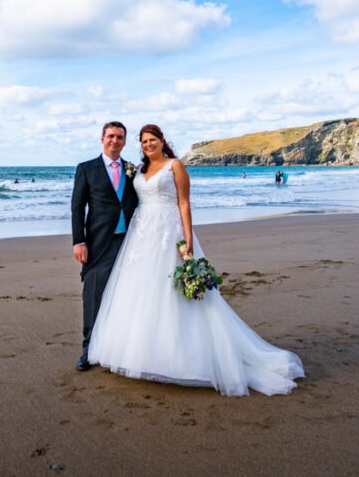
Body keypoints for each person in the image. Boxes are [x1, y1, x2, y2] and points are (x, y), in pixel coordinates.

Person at [87, 125, 304, 396]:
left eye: (152, 140)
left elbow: (184, 203)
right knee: (140, 290)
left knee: (173, 291)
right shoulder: (138, 171)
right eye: (144, 142)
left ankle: (185, 357)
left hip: (169, 231)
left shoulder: (175, 166)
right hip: (141, 234)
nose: (148, 145)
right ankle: (143, 353)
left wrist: (188, 239)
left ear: (162, 141)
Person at [71, 121, 139, 372]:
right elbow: (77, 207)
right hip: (99, 243)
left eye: (120, 137)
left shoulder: (132, 169)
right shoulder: (86, 169)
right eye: (110, 136)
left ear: (124, 141)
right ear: (102, 139)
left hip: (131, 241)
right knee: (93, 294)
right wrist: (79, 241)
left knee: (127, 295)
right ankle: (88, 350)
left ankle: (121, 348)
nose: (115, 140)